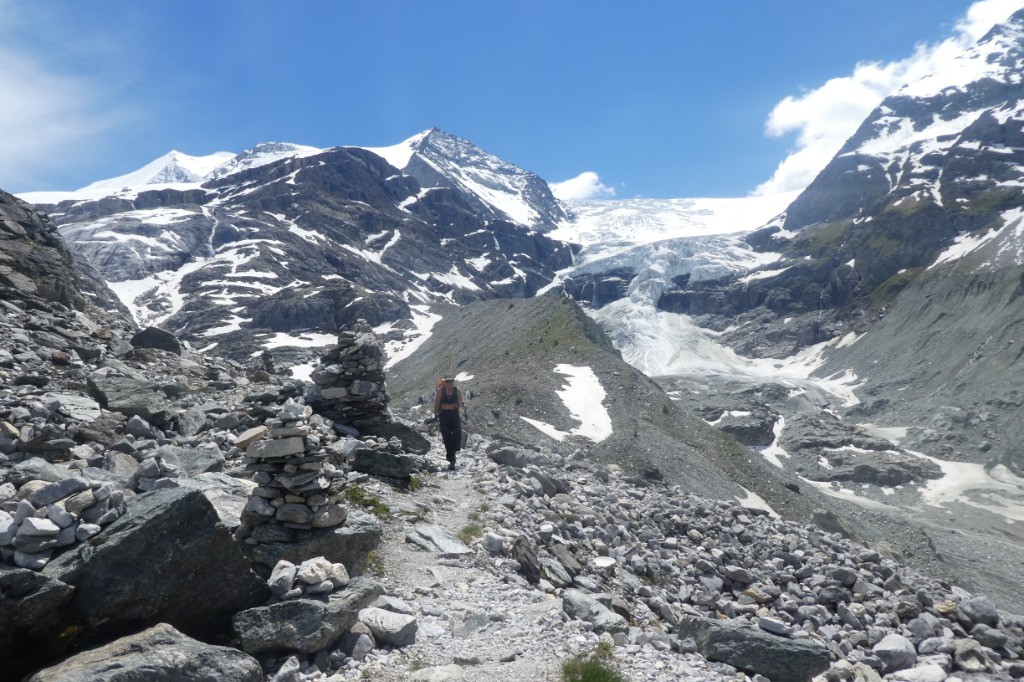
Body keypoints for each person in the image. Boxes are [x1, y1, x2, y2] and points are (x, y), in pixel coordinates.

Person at [434, 376, 466, 470]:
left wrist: (464, 405)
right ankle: (452, 460)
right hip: (444, 416)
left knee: (457, 434)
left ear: (453, 382)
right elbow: (437, 403)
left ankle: (454, 450)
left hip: (454, 414)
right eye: (447, 381)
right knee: (447, 438)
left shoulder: (457, 390)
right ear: (445, 382)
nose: (449, 383)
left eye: (451, 381)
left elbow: (461, 401)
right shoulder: (441, 391)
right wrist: (435, 414)